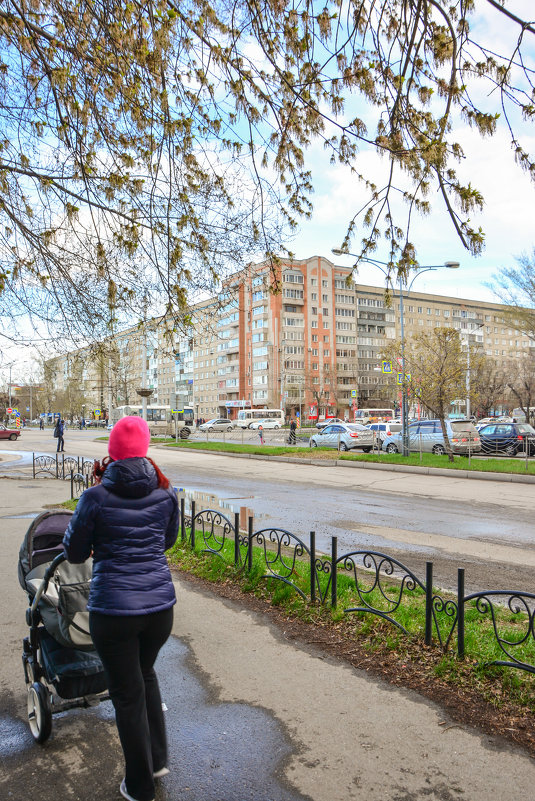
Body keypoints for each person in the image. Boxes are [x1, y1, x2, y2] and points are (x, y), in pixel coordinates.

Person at [62, 417, 179, 801]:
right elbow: (167, 542)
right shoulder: (165, 492)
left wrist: (101, 544)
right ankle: (157, 761)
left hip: (114, 613)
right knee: (145, 675)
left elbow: (74, 553)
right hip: (159, 610)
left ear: (112, 452)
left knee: (127, 694)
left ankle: (140, 786)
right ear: (144, 449)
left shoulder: (94, 497)